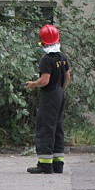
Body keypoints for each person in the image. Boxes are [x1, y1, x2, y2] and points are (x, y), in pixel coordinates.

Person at [25, 24, 70, 174]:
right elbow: (67, 77)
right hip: (59, 94)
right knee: (57, 128)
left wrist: (33, 84)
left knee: (45, 128)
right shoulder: (63, 57)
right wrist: (61, 91)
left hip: (49, 95)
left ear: (44, 43)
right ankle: (58, 164)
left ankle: (44, 164)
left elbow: (45, 80)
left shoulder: (47, 60)